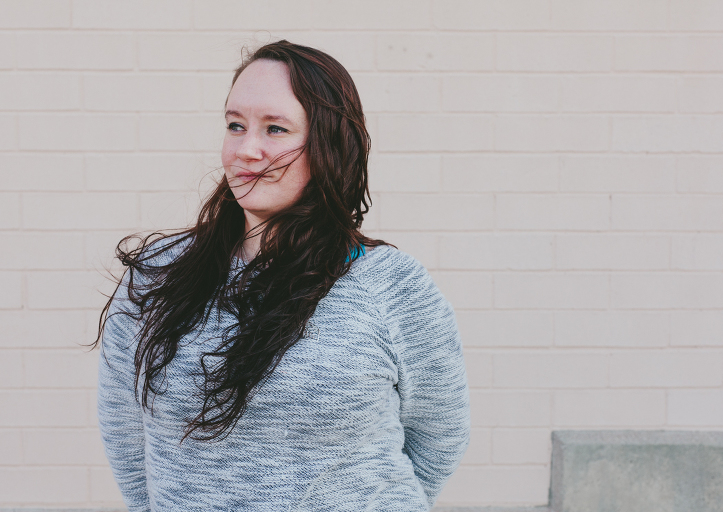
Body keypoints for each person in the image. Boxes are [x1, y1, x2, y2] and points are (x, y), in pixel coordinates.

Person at [96, 40, 470, 512]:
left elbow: (440, 433)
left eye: (275, 129)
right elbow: (125, 430)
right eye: (236, 125)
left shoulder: (390, 285)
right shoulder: (158, 276)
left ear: (328, 144)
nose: (247, 150)